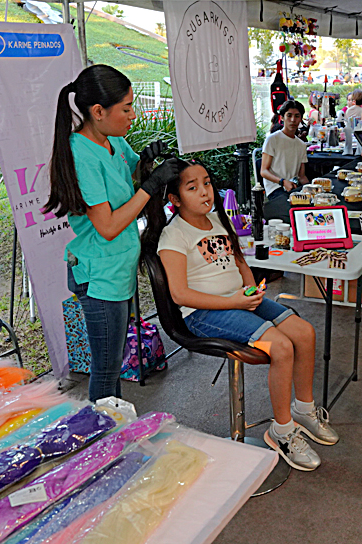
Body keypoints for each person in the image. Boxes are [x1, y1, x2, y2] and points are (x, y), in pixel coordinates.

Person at [143, 159, 338, 471]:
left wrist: (250, 291)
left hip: (240, 300)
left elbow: (241, 263)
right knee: (281, 347)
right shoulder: (174, 236)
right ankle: (282, 431)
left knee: (304, 332)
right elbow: (179, 294)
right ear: (174, 200)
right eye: (192, 188)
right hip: (203, 313)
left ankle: (303, 409)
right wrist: (234, 301)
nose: (205, 192)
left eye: (207, 183)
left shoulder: (217, 220)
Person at [43, 64, 178, 401]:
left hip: (116, 268)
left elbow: (130, 169)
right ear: (98, 111)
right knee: (106, 368)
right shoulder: (82, 155)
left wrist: (145, 163)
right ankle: (102, 439)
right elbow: (107, 226)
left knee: (114, 362)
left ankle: (112, 424)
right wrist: (150, 187)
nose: (133, 115)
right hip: (99, 274)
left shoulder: (111, 141)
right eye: (127, 108)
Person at [261, 100, 309, 204]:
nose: (293, 120)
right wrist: (283, 182)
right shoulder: (272, 139)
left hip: (293, 188)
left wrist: (311, 188)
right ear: (282, 117)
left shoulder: (301, 145)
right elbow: (264, 171)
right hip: (275, 189)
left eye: (297, 116)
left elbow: (301, 176)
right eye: (289, 115)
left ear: (301, 119)